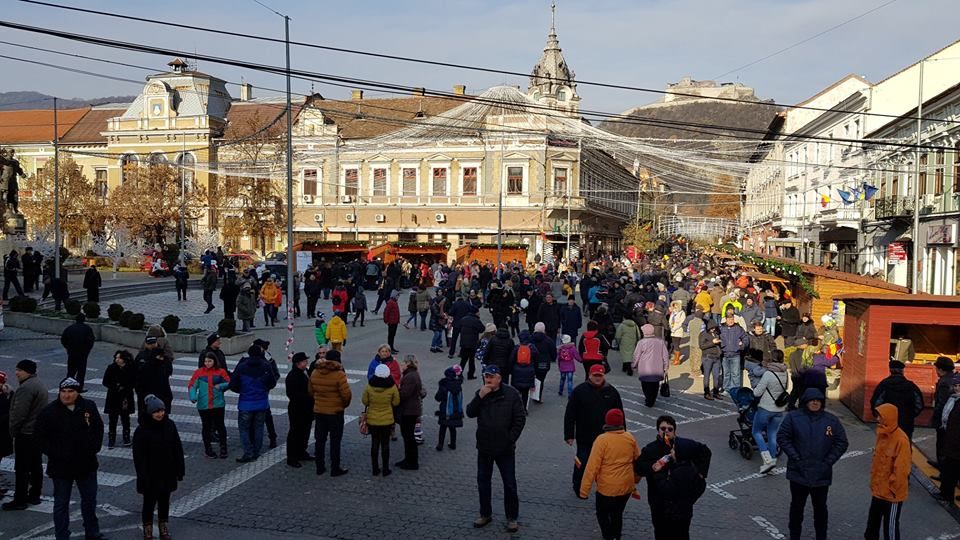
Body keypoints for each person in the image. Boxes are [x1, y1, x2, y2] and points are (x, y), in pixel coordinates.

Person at [34, 377, 106, 540]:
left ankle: (92, 531)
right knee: (61, 504)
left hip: (86, 463)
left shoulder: (88, 406)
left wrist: (94, 447)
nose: (66, 395)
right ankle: (62, 535)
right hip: (61, 466)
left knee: (89, 500)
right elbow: (39, 438)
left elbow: (98, 428)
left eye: (70, 392)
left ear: (77, 392)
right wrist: (56, 453)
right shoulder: (49, 412)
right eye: (63, 392)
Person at [777, 388, 849, 540]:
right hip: (798, 473)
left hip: (821, 474)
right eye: (812, 400)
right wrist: (796, 458)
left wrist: (828, 462)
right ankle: (794, 536)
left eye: (818, 400)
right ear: (805, 401)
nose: (815, 402)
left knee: (820, 510)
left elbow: (841, 442)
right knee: (797, 508)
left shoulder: (831, 420)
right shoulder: (793, 418)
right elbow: (783, 437)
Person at [467, 364, 526, 533]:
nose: (488, 379)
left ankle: (512, 518)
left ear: (499, 378)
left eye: (492, 377)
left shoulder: (512, 394)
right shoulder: (482, 393)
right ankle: (485, 514)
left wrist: (510, 438)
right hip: (484, 447)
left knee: (509, 484)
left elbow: (520, 419)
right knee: (483, 482)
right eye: (486, 376)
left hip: (505, 449)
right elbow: (470, 412)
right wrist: (480, 396)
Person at [635, 415, 712, 540]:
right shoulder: (650, 449)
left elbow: (705, 451)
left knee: (681, 533)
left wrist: (701, 474)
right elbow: (638, 467)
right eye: (662, 428)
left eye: (670, 429)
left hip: (680, 504)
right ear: (658, 430)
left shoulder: (682, 445)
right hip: (658, 501)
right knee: (660, 532)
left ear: (675, 430)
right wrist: (653, 467)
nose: (666, 432)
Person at [578, 408, 640, 540]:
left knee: (602, 514)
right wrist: (636, 479)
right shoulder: (630, 438)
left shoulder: (602, 440)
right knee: (617, 514)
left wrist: (584, 490)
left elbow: (592, 466)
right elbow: (638, 461)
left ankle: (608, 536)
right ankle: (616, 536)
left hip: (607, 488)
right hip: (626, 486)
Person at [565, 364, 624, 496]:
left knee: (604, 466)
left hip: (605, 438)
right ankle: (578, 486)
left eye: (600, 376)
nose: (598, 378)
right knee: (582, 462)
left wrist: (622, 433)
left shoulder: (612, 392)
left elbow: (619, 414)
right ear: (590, 376)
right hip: (584, 436)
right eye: (595, 376)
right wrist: (569, 435)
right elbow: (570, 414)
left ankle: (603, 489)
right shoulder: (579, 391)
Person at [133, 394, 185, 540]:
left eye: (161, 410)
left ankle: (163, 526)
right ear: (149, 413)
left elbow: (177, 448)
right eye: (156, 412)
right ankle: (147, 529)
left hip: (167, 472)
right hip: (150, 474)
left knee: (164, 501)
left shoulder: (170, 425)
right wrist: (142, 477)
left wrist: (179, 470)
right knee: (149, 503)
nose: (160, 414)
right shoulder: (141, 431)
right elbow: (139, 458)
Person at [864, 403, 912, 540]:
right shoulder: (882, 434)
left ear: (888, 418)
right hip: (879, 491)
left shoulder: (901, 440)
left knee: (890, 530)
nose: (878, 419)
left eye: (880, 416)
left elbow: (902, 470)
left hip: (891, 494)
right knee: (872, 527)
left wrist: (892, 489)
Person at [3, 360, 46, 511]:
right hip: (36, 433)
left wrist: (12, 431)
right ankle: (34, 495)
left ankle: (20, 499)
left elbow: (19, 414)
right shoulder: (38, 384)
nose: (16, 373)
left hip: (26, 433)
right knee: (35, 466)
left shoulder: (26, 388)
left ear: (28, 372)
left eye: (19, 370)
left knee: (22, 469)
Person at [229, 344, 277, 463]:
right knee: (259, 427)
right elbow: (272, 382)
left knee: (244, 429)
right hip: (262, 403)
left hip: (245, 403)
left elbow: (233, 384)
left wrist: (242, 391)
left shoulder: (242, 367)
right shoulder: (266, 366)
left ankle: (248, 452)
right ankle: (256, 451)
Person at [310, 349, 351, 476]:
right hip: (335, 412)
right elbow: (346, 395)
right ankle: (335, 468)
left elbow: (310, 391)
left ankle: (320, 466)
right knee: (335, 440)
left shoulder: (315, 372)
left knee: (320, 439)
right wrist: (342, 405)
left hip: (320, 411)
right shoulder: (339, 374)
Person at [188, 352, 231, 459]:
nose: (207, 363)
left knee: (220, 426)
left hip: (218, 404)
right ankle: (208, 449)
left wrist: (220, 386)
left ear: (214, 361)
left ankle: (223, 447)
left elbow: (230, 382)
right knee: (206, 427)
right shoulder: (198, 372)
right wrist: (193, 396)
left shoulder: (221, 372)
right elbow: (192, 386)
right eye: (206, 361)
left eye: (209, 361)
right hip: (204, 405)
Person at [752, 350, 789, 474]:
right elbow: (786, 388)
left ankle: (767, 461)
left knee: (756, 432)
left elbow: (757, 392)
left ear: (771, 359)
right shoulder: (785, 372)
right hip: (779, 410)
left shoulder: (768, 374)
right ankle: (772, 463)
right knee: (772, 435)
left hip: (766, 408)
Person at [362, 364, 400, 476]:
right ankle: (385, 469)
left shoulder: (369, 386)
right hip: (387, 420)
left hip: (373, 419)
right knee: (385, 445)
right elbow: (396, 402)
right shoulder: (392, 386)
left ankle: (375, 468)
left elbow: (365, 401)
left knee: (374, 444)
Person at [870, 360, 924, 439]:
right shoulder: (911, 386)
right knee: (904, 447)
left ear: (890, 370)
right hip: (906, 423)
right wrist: (910, 415)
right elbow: (919, 405)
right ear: (902, 371)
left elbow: (876, 403)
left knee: (887, 447)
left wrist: (880, 417)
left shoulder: (884, 385)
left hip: (887, 423)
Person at [285, 352, 314, 468]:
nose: (306, 363)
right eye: (304, 361)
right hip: (297, 409)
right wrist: (307, 398)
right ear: (298, 363)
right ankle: (292, 457)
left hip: (307, 409)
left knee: (305, 432)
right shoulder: (293, 376)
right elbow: (292, 394)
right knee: (295, 432)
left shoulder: (305, 372)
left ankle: (302, 452)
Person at [135, 336, 173, 422]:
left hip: (161, 394)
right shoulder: (141, 356)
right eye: (150, 344)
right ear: (145, 344)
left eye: (153, 343)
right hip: (145, 395)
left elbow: (168, 372)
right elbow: (136, 375)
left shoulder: (164, 357)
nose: (152, 345)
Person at [102, 350, 136, 448]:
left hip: (125, 397)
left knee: (125, 418)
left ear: (124, 359)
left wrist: (125, 387)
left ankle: (126, 437)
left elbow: (134, 381)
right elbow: (105, 381)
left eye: (119, 358)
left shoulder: (131, 368)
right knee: (112, 419)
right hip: (113, 396)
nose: (117, 360)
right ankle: (111, 439)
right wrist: (115, 386)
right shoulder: (111, 368)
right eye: (116, 358)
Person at [396, 355, 425, 470]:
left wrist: (397, 393)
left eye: (403, 363)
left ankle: (412, 461)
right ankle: (408, 459)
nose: (401, 365)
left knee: (408, 437)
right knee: (407, 436)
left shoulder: (410, 376)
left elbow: (404, 394)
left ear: (408, 363)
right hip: (411, 409)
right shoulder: (412, 374)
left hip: (409, 411)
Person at [632, 323, 670, 407]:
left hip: (644, 367)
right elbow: (665, 355)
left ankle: (648, 399)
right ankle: (652, 399)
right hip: (657, 367)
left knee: (645, 384)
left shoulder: (641, 342)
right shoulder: (660, 341)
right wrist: (666, 366)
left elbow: (636, 355)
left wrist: (634, 365)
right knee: (655, 385)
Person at [938, 374, 960, 503]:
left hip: (955, 443)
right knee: (950, 469)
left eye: (959, 386)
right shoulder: (953, 400)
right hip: (951, 440)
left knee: (951, 470)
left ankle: (947, 495)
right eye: (955, 386)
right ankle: (946, 493)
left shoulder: (956, 402)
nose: (957, 388)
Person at [931, 356, 956, 470]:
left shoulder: (944, 382)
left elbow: (941, 403)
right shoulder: (956, 378)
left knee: (942, 443)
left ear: (940, 369)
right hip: (955, 418)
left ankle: (942, 468)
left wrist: (935, 418)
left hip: (945, 419)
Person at [60, 313, 96, 388]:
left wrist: (68, 348)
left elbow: (63, 339)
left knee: (71, 370)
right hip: (82, 353)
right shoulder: (87, 328)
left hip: (71, 352)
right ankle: (79, 387)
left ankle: (69, 385)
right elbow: (91, 341)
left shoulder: (70, 328)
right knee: (81, 371)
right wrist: (87, 350)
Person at [719, 309, 749, 395]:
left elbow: (745, 338)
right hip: (724, 355)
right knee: (726, 374)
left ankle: (736, 390)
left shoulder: (738, 328)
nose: (731, 321)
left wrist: (742, 345)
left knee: (736, 374)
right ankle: (726, 389)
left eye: (732, 319)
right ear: (726, 319)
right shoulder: (721, 328)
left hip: (736, 355)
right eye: (729, 319)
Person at [435, 365, 463, 451]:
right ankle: (453, 444)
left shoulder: (444, 385)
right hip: (455, 410)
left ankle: (440, 445)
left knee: (443, 428)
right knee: (452, 427)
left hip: (445, 410)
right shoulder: (458, 385)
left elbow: (438, 397)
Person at [456, 308, 486, 379]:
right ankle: (470, 374)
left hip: (464, 342)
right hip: (473, 343)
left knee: (463, 359)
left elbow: (459, 328)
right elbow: (482, 329)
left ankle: (459, 373)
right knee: (471, 360)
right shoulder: (476, 321)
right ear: (476, 313)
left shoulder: (463, 319)